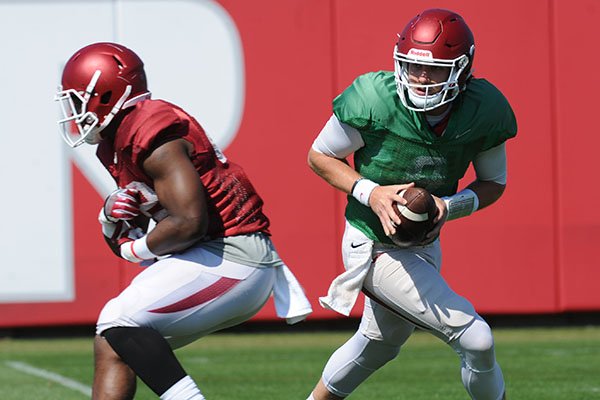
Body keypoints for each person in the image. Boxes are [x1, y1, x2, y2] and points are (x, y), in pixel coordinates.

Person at [55, 42, 312, 400]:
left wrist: (135, 249)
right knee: (115, 341)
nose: (74, 112)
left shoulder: (151, 132)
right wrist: (111, 220)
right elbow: (148, 232)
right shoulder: (117, 142)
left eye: (79, 100)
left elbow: (188, 222)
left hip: (235, 257)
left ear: (107, 94)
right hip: (214, 255)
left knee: (118, 319)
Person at [306, 8, 516, 400]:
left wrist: (447, 207)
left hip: (423, 241)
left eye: (436, 70)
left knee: (379, 343)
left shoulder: (484, 108)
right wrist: (371, 192)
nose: (421, 79)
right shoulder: (373, 98)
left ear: (462, 68)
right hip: (370, 242)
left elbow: (493, 183)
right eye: (412, 67)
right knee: (477, 339)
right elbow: (320, 156)